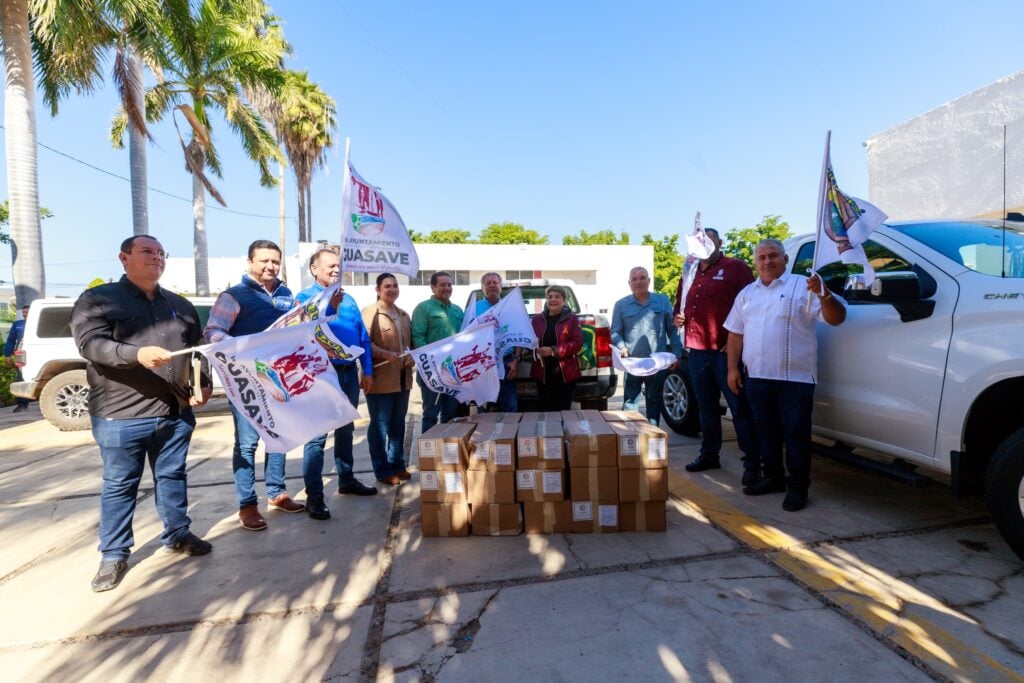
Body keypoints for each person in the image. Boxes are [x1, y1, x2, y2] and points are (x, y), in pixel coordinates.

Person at [70, 236, 213, 592]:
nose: (156, 258)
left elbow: (196, 351)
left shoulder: (179, 305)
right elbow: (91, 345)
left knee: (172, 476)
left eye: (161, 253)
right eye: (147, 252)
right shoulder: (98, 299)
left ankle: (177, 533)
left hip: (174, 411)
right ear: (124, 258)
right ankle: (114, 555)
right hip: (121, 414)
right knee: (120, 485)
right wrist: (136, 354)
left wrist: (204, 384)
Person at [725, 238, 847, 512]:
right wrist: (732, 368)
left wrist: (825, 294)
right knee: (765, 433)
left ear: (785, 259)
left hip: (796, 380)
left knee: (795, 435)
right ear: (755, 263)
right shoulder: (747, 294)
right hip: (757, 377)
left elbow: (837, 318)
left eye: (773, 256)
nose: (767, 261)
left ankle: (798, 487)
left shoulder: (805, 286)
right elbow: (735, 332)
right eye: (762, 257)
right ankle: (774, 478)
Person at [205, 239, 304, 531]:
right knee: (247, 444)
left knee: (279, 437)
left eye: (275, 261)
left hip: (278, 380)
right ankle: (247, 504)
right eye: (264, 261)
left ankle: (276, 493)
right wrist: (243, 346)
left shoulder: (288, 295)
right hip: (245, 382)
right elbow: (212, 331)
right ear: (249, 262)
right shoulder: (233, 296)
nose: (270, 266)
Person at [673, 228, 761, 485]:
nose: (705, 244)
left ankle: (753, 463)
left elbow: (752, 305)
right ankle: (709, 454)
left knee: (739, 409)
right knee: (706, 407)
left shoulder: (735, 267)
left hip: (726, 352)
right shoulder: (688, 272)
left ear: (720, 242)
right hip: (697, 351)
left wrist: (738, 343)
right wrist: (677, 318)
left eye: (710, 240)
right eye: (701, 241)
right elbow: (679, 309)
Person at [296, 247, 377, 507]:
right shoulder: (303, 298)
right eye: (329, 266)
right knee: (317, 436)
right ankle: (315, 496)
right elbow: (299, 334)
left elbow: (362, 336)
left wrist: (368, 369)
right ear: (314, 269)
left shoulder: (350, 299)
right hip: (320, 374)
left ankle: (346, 479)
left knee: (346, 429)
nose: (335, 270)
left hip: (348, 375)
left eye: (338, 266)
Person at [610, 266, 681, 425]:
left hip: (656, 362)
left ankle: (652, 437)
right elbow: (615, 331)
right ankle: (629, 437)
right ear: (629, 283)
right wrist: (621, 346)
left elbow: (672, 329)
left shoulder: (662, 301)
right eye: (634, 279)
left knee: (654, 400)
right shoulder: (621, 305)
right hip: (632, 363)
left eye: (642, 278)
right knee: (630, 402)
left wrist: (677, 353)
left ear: (649, 281)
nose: (638, 282)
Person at [362, 273, 414, 485]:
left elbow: (410, 344)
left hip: (402, 379)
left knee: (398, 424)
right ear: (377, 290)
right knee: (380, 426)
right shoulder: (369, 312)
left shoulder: (403, 314)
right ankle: (382, 470)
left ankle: (397, 464)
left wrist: (411, 355)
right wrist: (384, 354)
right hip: (379, 379)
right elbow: (363, 343)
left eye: (395, 286)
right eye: (387, 286)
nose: (392, 290)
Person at [411, 271, 464, 430]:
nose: (446, 288)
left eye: (449, 284)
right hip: (432, 372)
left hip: (453, 371)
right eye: (442, 284)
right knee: (430, 414)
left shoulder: (458, 310)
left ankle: (448, 451)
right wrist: (431, 362)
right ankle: (429, 453)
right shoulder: (423, 309)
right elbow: (418, 337)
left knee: (451, 414)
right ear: (433, 287)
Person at [530, 285, 583, 410]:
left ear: (563, 300)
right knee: (545, 410)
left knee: (563, 410)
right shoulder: (536, 320)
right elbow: (529, 341)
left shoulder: (571, 318)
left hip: (565, 373)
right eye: (550, 297)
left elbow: (577, 343)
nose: (553, 299)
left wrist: (553, 350)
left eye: (557, 297)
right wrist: (532, 347)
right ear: (546, 300)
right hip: (542, 373)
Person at [475, 272, 521, 412]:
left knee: (510, 406)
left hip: (506, 361)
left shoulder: (511, 307)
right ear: (482, 287)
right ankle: (483, 433)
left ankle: (509, 433)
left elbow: (519, 333)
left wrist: (517, 360)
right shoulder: (474, 308)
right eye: (488, 283)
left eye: (495, 282)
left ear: (500, 286)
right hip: (482, 362)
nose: (492, 286)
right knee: (483, 408)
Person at [4, 305, 30, 412]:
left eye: (27, 312)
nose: (24, 314)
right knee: (20, 378)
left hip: (35, 352)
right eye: (23, 312)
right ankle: (22, 404)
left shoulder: (38, 322)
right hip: (21, 354)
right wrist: (8, 355)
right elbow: (10, 340)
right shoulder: (17, 324)